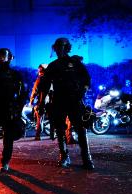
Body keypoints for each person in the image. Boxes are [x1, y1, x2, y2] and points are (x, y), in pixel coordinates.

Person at [38, 37, 94, 169]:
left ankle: (87, 159)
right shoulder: (53, 66)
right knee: (60, 129)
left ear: (67, 48)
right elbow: (45, 87)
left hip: (75, 100)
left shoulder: (75, 63)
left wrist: (83, 91)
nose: (59, 50)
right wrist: (41, 104)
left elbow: (87, 79)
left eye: (62, 47)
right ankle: (64, 156)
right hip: (59, 101)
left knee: (81, 129)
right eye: (57, 48)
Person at [30, 64, 48, 140]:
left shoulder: (39, 79)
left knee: (39, 119)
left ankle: (38, 135)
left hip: (42, 101)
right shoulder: (51, 79)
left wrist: (31, 100)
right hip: (51, 101)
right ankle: (52, 135)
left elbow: (35, 91)